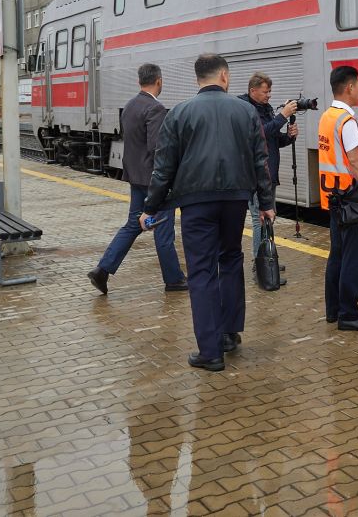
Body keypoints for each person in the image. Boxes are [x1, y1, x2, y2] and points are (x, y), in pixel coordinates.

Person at [140, 54, 275, 372]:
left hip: (195, 203)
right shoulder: (245, 111)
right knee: (230, 260)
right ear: (224, 77)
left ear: (198, 78)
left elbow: (164, 166)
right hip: (235, 200)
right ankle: (229, 333)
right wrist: (266, 203)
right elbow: (260, 161)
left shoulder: (179, 113)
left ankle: (210, 351)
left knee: (201, 271)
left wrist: (151, 206)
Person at [88, 63, 187, 295]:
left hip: (136, 177)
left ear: (139, 81)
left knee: (134, 224)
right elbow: (156, 148)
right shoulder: (156, 108)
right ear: (159, 81)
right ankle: (173, 279)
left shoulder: (131, 106)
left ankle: (102, 269)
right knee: (163, 230)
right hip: (154, 181)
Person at [317, 65, 358, 331]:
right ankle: (349, 315)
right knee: (354, 258)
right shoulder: (347, 121)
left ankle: (334, 310)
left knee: (338, 255)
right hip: (353, 199)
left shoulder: (327, 117)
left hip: (334, 198)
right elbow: (355, 162)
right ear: (349, 87)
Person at [238, 73, 299, 259]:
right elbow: (259, 134)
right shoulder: (246, 110)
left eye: (270, 91)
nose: (269, 95)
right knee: (259, 218)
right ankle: (260, 263)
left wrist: (288, 136)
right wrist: (282, 116)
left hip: (269, 173)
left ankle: (267, 259)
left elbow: (272, 139)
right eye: (266, 91)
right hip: (256, 174)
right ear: (253, 91)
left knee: (268, 217)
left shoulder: (266, 109)